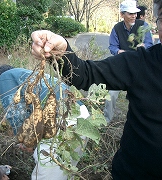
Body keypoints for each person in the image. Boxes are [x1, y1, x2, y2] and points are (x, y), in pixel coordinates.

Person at [30, 0, 162, 178]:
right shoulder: (141, 62)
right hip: (133, 172)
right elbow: (85, 75)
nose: (132, 16)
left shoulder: (142, 27)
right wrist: (62, 52)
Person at [0, 65, 90, 180]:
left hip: (64, 123)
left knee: (45, 176)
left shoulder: (4, 78)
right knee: (64, 172)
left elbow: (15, 114)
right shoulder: (29, 75)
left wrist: (26, 141)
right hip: (82, 117)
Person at [104, 0, 154, 123]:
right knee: (111, 94)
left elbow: (150, 44)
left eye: (135, 13)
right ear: (122, 14)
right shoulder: (116, 28)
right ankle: (106, 122)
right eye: (130, 13)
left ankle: (140, 122)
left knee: (142, 97)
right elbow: (112, 47)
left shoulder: (144, 26)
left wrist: (143, 47)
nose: (134, 16)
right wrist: (118, 52)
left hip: (140, 67)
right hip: (122, 66)